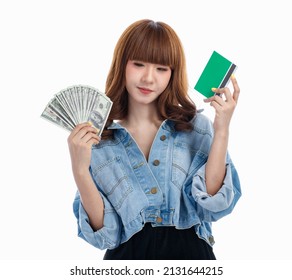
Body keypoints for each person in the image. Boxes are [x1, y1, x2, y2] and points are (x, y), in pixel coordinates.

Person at [68, 19, 241, 260]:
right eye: (138, 64)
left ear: (173, 73)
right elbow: (104, 235)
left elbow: (212, 204)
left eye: (161, 68)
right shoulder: (98, 137)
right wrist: (80, 170)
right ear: (122, 65)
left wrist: (221, 129)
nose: (149, 78)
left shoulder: (195, 128)